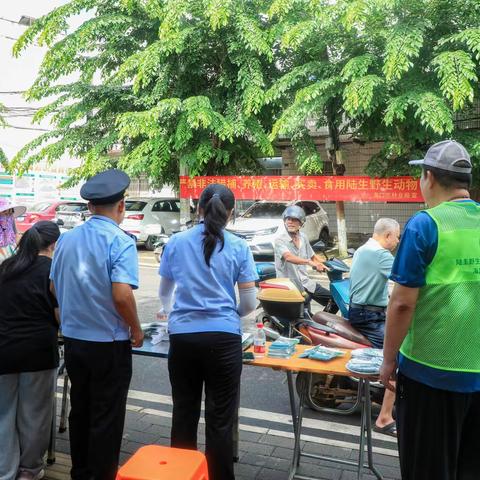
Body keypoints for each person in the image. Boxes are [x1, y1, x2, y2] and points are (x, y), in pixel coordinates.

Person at [379, 140, 480, 480]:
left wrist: (388, 360)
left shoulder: (424, 226)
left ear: (429, 177)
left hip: (429, 375)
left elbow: (403, 302)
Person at [158, 184, 258, 480]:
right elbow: (249, 304)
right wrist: (228, 316)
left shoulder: (176, 242)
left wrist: (179, 313)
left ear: (198, 208)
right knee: (220, 421)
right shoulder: (239, 246)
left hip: (183, 339)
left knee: (184, 414)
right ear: (230, 213)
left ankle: (181, 475)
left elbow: (165, 294)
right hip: (224, 340)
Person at [50, 169, 144, 480]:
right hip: (109, 345)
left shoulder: (66, 239)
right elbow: (121, 295)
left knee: (81, 410)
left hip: (75, 342)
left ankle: (81, 472)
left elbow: (53, 287)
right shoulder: (121, 241)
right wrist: (136, 328)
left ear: (90, 207)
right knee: (107, 416)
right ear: (121, 206)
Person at [0, 221, 60, 480]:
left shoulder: (6, 267)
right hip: (38, 352)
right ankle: (29, 470)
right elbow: (60, 314)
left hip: (3, 349)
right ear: (54, 245)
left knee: (3, 414)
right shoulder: (52, 270)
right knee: (34, 414)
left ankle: (5, 471)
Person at [349, 218, 400, 437]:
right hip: (369, 315)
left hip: (365, 311)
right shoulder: (381, 255)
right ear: (388, 235)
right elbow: (408, 279)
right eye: (397, 236)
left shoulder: (363, 248)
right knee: (396, 355)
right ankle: (384, 417)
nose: (397, 241)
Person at [274, 205, 336, 312]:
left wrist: (327, 264)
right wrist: (309, 262)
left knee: (335, 301)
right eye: (288, 219)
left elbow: (313, 256)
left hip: (306, 282)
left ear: (301, 223)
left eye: (294, 220)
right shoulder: (280, 240)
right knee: (303, 318)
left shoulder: (303, 237)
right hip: (290, 286)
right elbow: (288, 257)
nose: (290, 222)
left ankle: (320, 322)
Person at [0, 198, 26, 263]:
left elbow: (16, 235)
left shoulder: (11, 221)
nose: (8, 216)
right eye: (4, 213)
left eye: (10, 213)